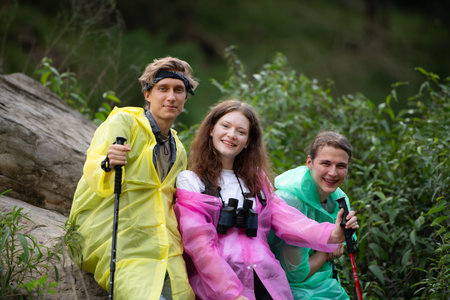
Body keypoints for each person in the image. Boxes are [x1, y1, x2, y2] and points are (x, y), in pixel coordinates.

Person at [174, 100, 359, 300]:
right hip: (220, 289)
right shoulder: (191, 181)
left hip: (266, 281)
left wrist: (333, 233)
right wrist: (232, 294)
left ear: (248, 141)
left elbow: (289, 221)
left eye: (241, 131)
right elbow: (200, 246)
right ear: (211, 130)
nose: (231, 135)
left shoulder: (256, 179)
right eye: (225, 126)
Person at [69, 56, 199, 300]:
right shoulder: (124, 121)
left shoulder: (179, 148)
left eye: (178, 90)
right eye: (163, 88)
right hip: (119, 238)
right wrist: (109, 162)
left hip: (163, 245)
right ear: (148, 94)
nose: (171, 97)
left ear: (185, 97)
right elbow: (94, 167)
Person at [268, 131, 356, 299]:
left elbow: (347, 242)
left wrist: (344, 238)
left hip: (325, 284)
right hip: (287, 290)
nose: (333, 173)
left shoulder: (340, 199)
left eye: (341, 166)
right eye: (326, 163)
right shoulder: (291, 200)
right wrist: (327, 248)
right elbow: (295, 275)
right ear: (310, 162)